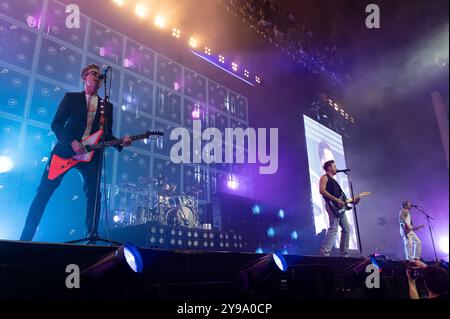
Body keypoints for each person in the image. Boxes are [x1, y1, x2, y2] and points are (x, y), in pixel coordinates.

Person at [20, 64, 132, 241]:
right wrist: (72, 142)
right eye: (93, 74)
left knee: (95, 195)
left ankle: (92, 237)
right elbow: (56, 124)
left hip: (90, 156)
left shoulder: (107, 107)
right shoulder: (71, 98)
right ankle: (25, 238)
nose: (97, 77)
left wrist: (121, 143)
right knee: (44, 191)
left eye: (99, 76)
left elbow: (106, 134)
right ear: (84, 77)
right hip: (65, 152)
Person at [319, 160, 359, 257]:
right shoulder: (324, 177)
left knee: (346, 229)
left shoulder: (334, 181)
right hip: (332, 206)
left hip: (339, 208)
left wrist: (353, 201)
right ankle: (324, 253)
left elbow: (343, 199)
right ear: (329, 168)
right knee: (333, 228)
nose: (336, 168)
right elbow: (322, 191)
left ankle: (344, 254)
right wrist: (337, 200)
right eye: (334, 166)